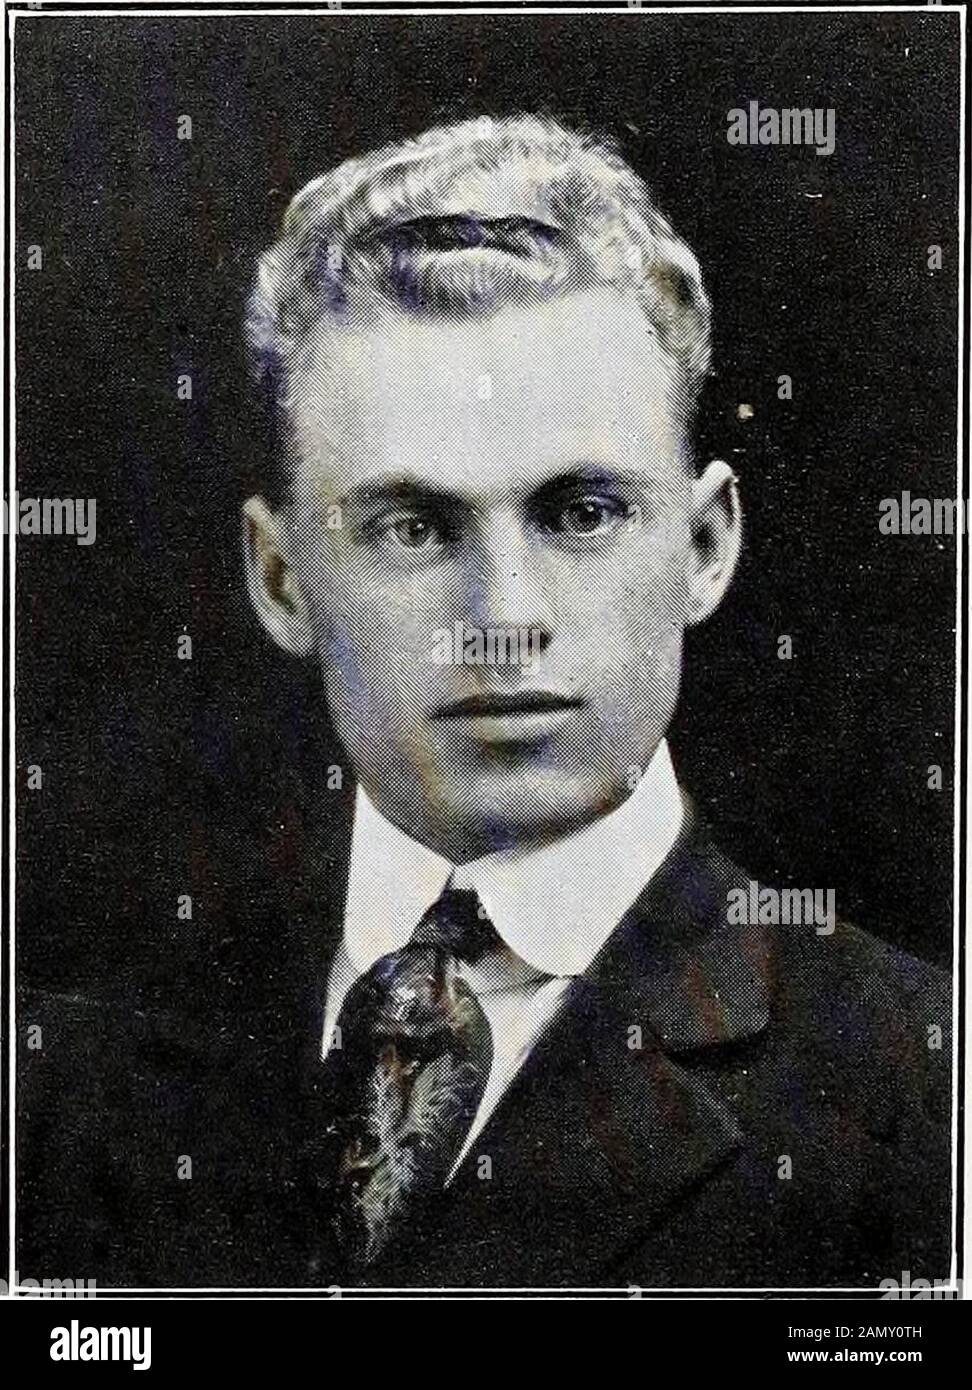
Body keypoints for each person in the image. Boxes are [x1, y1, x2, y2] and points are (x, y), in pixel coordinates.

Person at [18, 114, 951, 1290]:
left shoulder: (924, 1092)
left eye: (581, 513)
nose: (502, 618)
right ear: (281, 577)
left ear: (705, 547)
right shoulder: (58, 1076)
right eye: (414, 526)